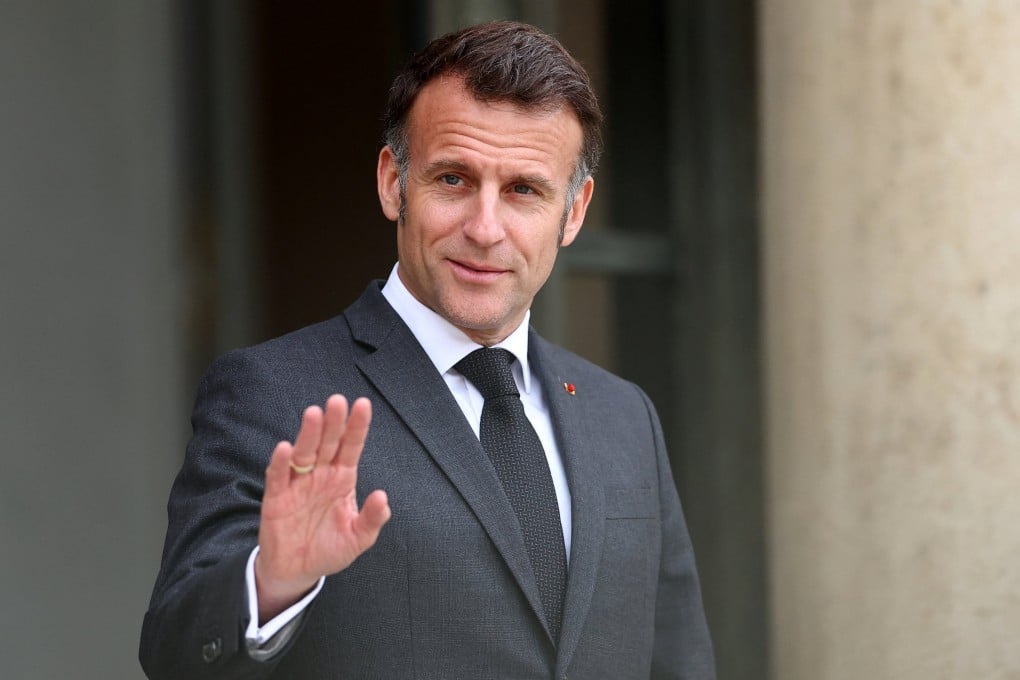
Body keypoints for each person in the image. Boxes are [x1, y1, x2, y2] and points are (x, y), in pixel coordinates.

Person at [140, 20, 715, 679]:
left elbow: (679, 662)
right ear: (394, 183)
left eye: (524, 190)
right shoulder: (272, 392)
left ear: (574, 212)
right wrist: (272, 583)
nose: (485, 228)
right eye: (453, 180)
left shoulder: (625, 416)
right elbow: (176, 654)